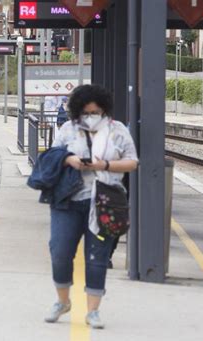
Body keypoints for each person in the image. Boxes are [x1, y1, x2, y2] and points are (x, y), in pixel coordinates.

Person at [45, 84, 138, 328]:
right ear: (77, 112)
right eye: (86, 112)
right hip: (68, 200)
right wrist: (70, 159)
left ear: (105, 110)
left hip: (103, 202)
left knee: (97, 256)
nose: (91, 116)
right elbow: (54, 156)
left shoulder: (118, 131)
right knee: (59, 251)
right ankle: (63, 300)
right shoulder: (68, 129)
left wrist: (105, 165)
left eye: (96, 112)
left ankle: (93, 311)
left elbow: (132, 162)